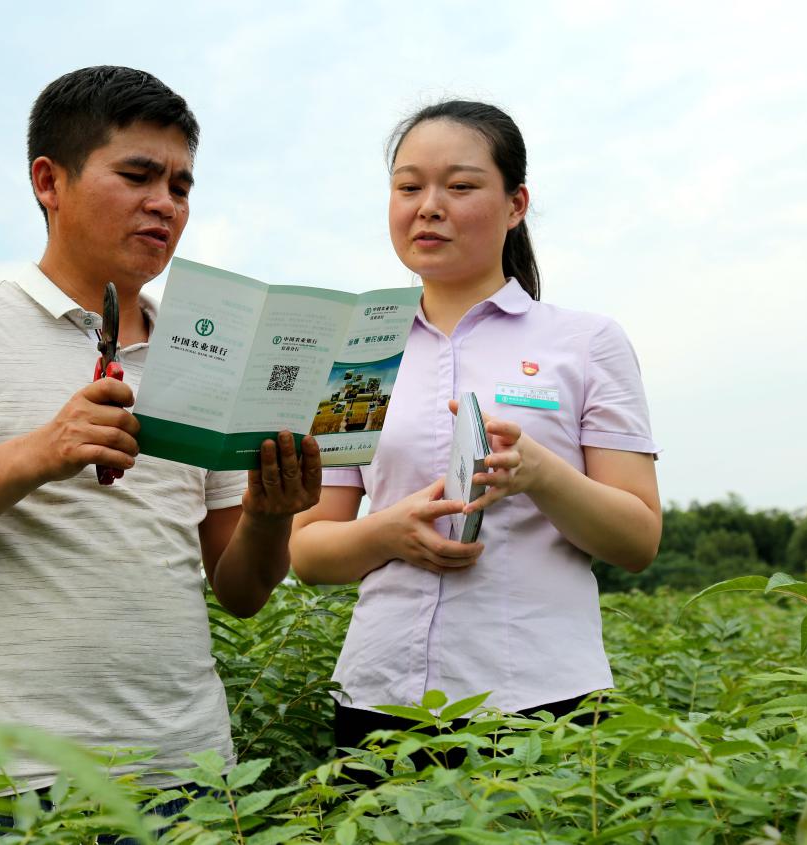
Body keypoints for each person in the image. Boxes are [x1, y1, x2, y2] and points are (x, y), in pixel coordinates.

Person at [0, 65, 321, 818]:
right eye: (137, 174)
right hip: (11, 791)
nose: (163, 203)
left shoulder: (209, 357)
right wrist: (39, 452)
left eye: (182, 186)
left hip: (192, 782)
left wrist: (270, 512)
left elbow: (241, 592)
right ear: (48, 180)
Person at [289, 100, 661, 759]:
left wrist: (540, 473)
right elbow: (309, 551)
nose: (428, 206)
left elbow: (636, 539)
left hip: (542, 705)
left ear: (515, 203)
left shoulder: (584, 342)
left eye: (459, 186)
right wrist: (386, 532)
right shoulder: (360, 352)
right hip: (378, 706)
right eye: (408, 187)